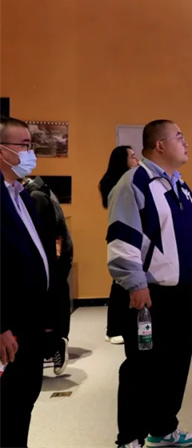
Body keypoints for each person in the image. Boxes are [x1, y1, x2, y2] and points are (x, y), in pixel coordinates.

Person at [106, 120, 192, 448]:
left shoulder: (180, 185)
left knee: (176, 365)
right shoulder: (135, 182)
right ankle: (130, 437)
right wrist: (135, 285)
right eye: (179, 137)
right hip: (149, 294)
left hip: (183, 291)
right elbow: (122, 239)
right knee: (142, 367)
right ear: (159, 145)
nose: (185, 142)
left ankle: (163, 428)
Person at [0, 117, 56, 448]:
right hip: (9, 324)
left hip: (31, 319)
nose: (30, 152)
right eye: (23, 145)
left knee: (24, 399)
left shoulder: (22, 194)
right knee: (8, 404)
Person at [23, 175, 73, 376]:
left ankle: (54, 345)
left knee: (46, 309)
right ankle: (52, 345)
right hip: (52, 261)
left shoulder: (35, 196)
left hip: (47, 262)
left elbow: (43, 235)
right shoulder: (40, 191)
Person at [100, 145, 140, 345]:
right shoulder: (116, 183)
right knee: (120, 284)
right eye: (132, 156)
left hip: (130, 234)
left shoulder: (130, 181)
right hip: (121, 235)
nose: (136, 160)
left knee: (125, 284)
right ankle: (113, 328)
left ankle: (123, 325)